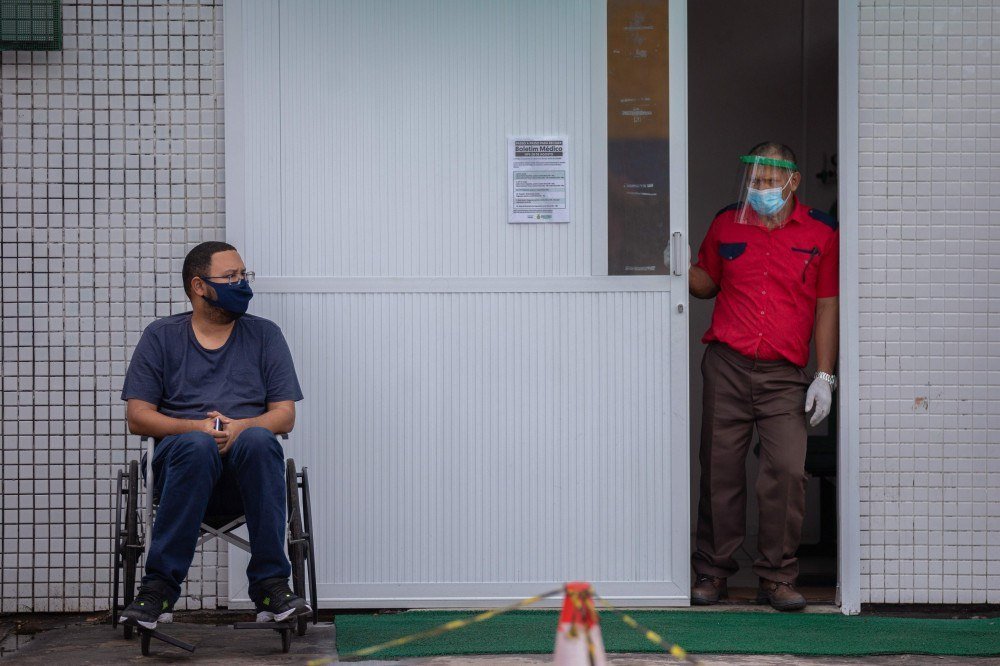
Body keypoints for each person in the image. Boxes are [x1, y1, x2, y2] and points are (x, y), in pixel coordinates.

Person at [118, 241, 309, 629]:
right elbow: (138, 417)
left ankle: (272, 585)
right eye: (231, 277)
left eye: (244, 275)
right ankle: (157, 590)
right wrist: (197, 428)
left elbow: (284, 416)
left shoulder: (265, 336)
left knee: (258, 439)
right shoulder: (161, 337)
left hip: (246, 479)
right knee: (196, 444)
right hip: (181, 474)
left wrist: (239, 428)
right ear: (199, 286)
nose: (242, 284)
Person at [688, 142, 839, 611]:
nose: (759, 190)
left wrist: (825, 376)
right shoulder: (726, 223)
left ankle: (776, 578)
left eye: (768, 182)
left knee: (788, 471)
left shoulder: (823, 232)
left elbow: (827, 305)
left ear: (792, 181)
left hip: (784, 374)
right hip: (728, 365)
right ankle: (713, 573)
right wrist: (667, 260)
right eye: (753, 181)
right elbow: (705, 284)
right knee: (719, 471)